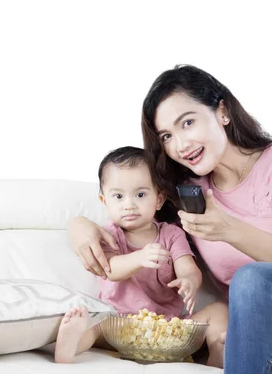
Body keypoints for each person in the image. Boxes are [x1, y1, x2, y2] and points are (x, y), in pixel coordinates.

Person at [68, 65, 272, 373]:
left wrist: (229, 230)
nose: (180, 144)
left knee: (252, 279)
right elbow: (136, 214)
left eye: (187, 123)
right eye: (166, 136)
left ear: (222, 111)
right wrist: (79, 226)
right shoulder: (190, 194)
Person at [55, 146, 228, 367]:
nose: (129, 205)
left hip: (167, 328)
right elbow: (110, 270)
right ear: (104, 200)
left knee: (219, 311)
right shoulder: (109, 235)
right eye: (118, 196)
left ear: (158, 199)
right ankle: (70, 345)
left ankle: (218, 350)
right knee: (94, 322)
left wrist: (189, 280)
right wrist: (138, 258)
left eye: (140, 194)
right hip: (118, 325)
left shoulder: (171, 234)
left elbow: (187, 266)